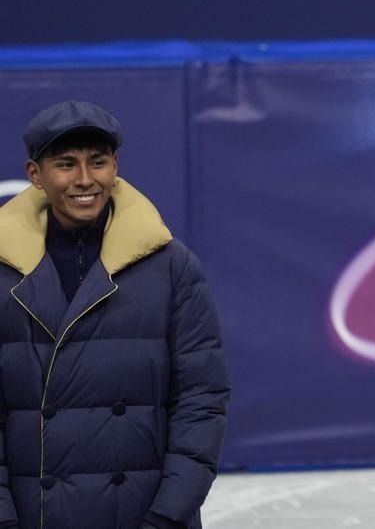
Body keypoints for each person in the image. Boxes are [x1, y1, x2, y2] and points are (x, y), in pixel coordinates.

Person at [0, 101, 230, 529]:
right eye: (66, 164)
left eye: (98, 162)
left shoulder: (172, 267)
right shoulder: (4, 270)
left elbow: (201, 399)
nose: (85, 179)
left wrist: (166, 516)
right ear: (35, 175)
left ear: (115, 167)